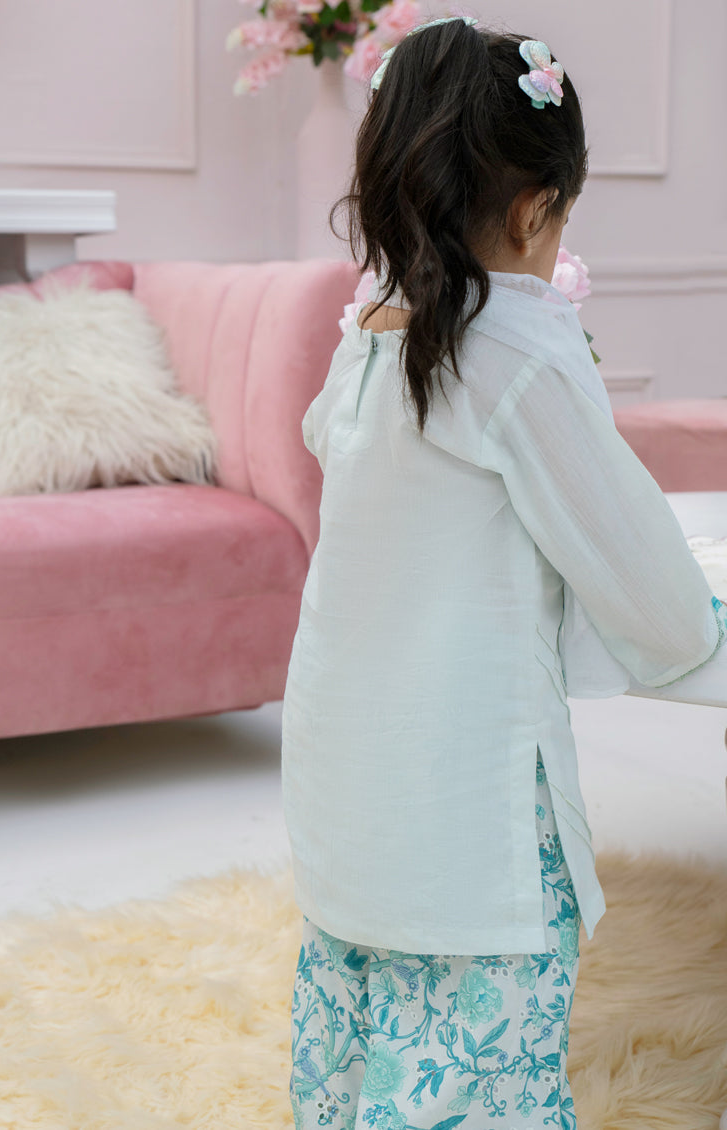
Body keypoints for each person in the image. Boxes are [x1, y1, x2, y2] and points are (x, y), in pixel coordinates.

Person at [281, 17, 726, 1130]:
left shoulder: (364, 337)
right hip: (469, 807)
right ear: (536, 212)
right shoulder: (520, 352)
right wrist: (692, 632)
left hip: (347, 782)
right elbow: (639, 572)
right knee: (478, 1063)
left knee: (368, 1023)